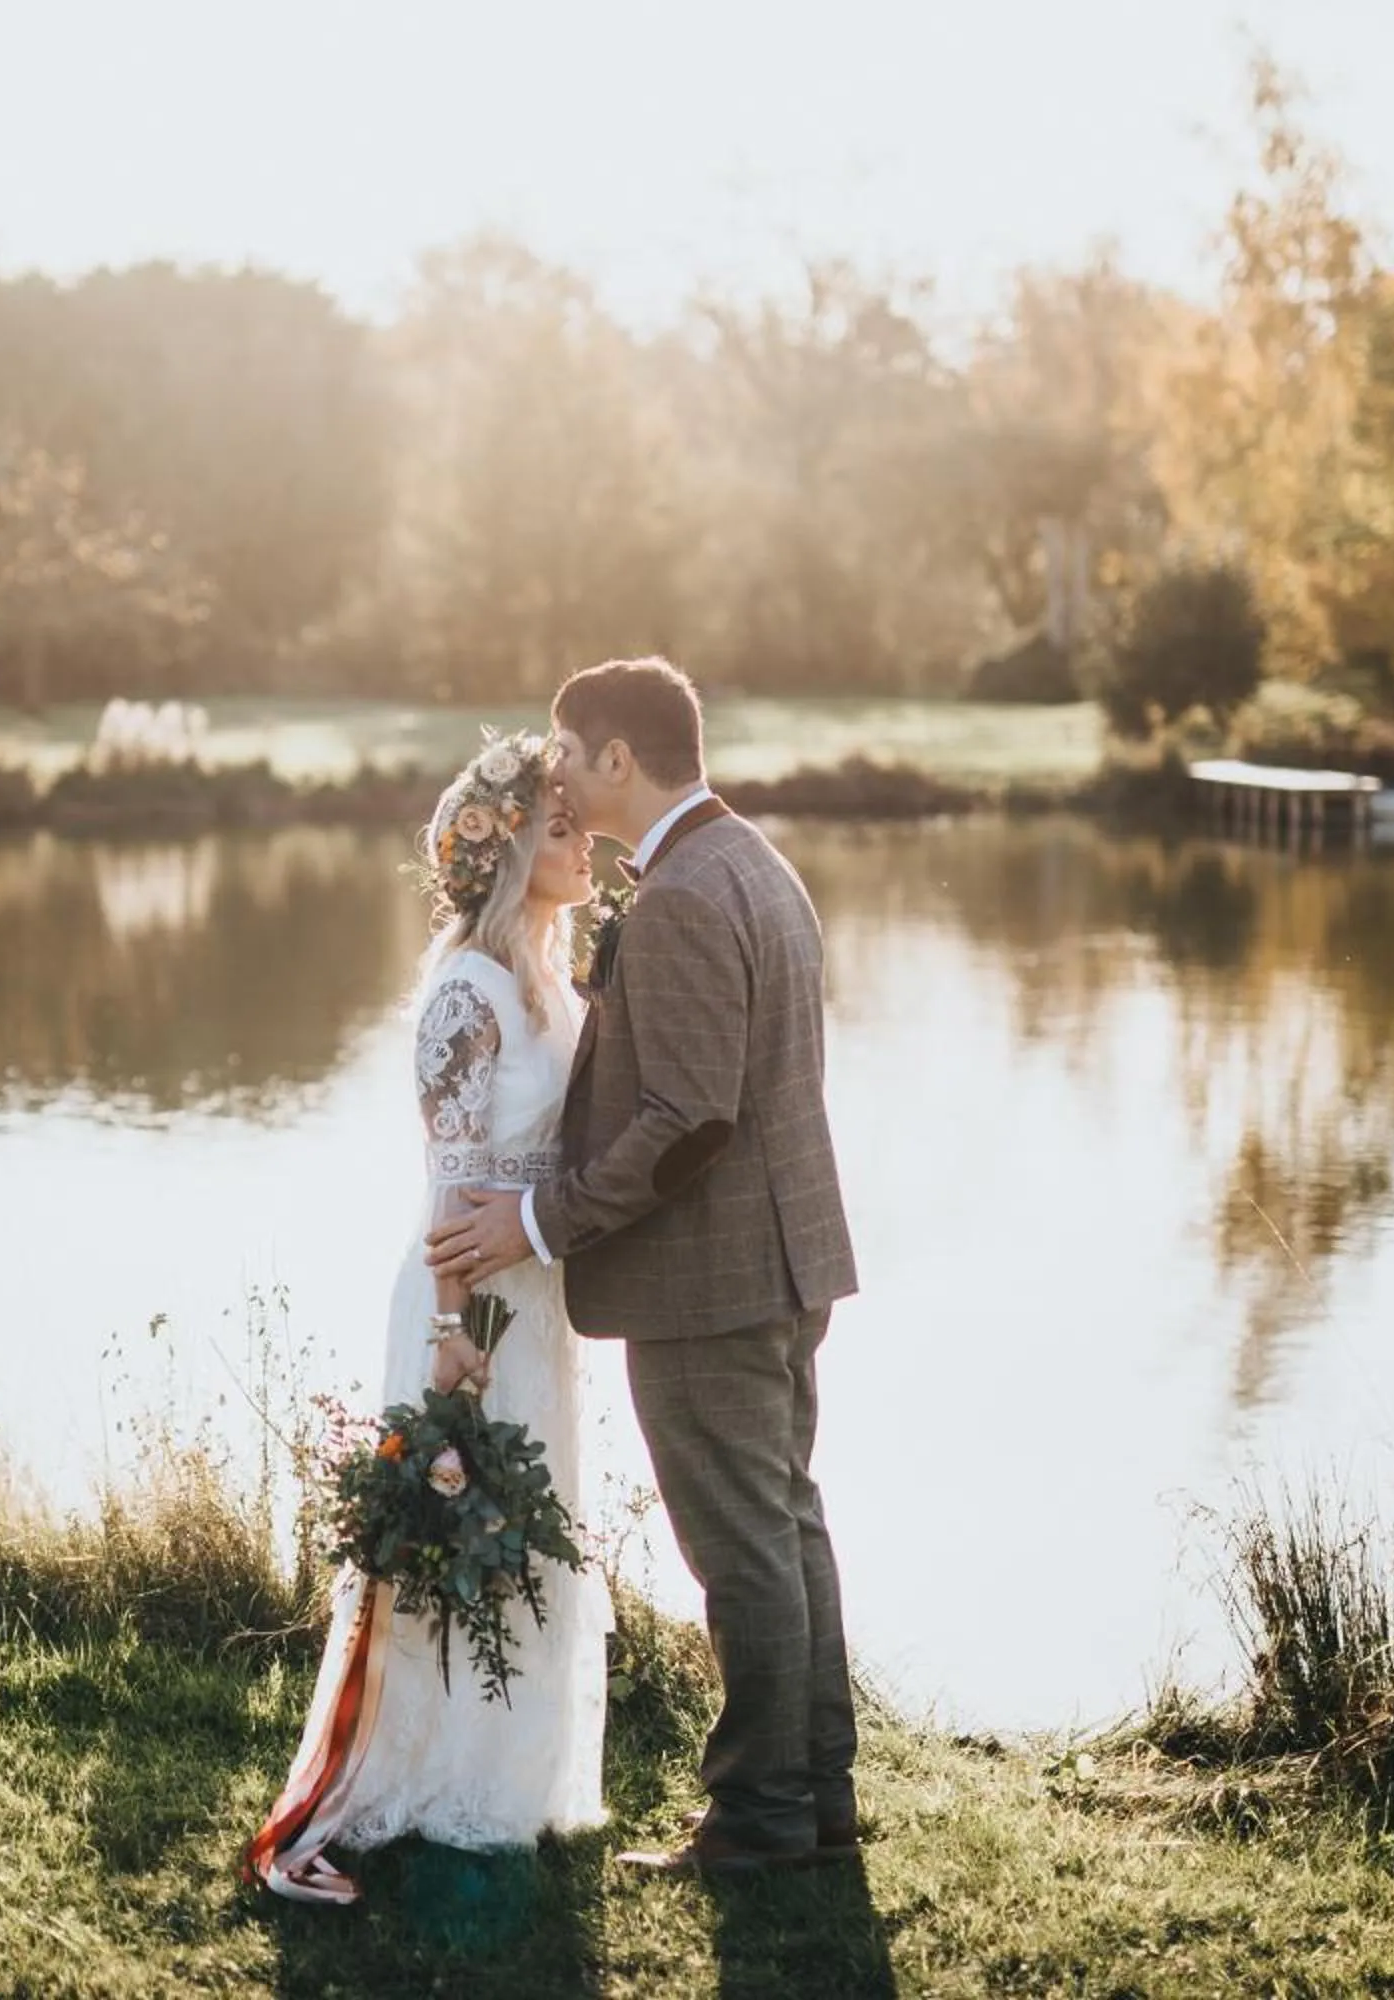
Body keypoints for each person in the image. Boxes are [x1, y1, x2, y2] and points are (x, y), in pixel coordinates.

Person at [427, 656, 862, 1877]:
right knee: (785, 1523)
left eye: (569, 752)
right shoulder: (749, 862)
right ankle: (817, 1793)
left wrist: (542, 1221)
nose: (557, 775)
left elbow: (687, 1118)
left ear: (619, 756)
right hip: (783, 1257)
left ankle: (759, 1813)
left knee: (741, 1547)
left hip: (713, 1279)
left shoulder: (678, 897)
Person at [247, 733, 611, 1906]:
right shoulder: (467, 988)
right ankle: (402, 1780)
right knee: (453, 1532)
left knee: (526, 1522)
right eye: (562, 827)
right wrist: (452, 1334)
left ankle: (506, 1777)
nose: (586, 840)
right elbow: (452, 1178)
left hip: (536, 1292)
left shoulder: (551, 976)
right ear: (508, 852)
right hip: (470, 1297)